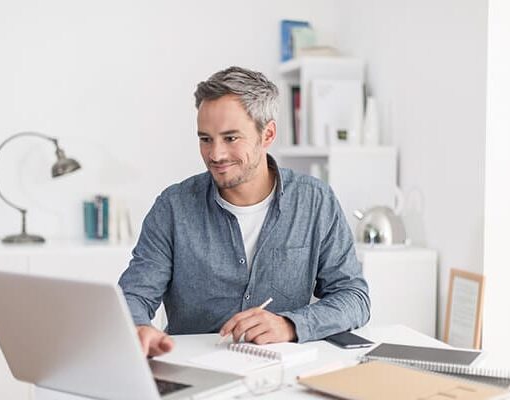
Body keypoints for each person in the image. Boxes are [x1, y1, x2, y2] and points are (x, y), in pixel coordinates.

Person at [118, 66, 370, 357]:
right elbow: (133, 295)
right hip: (198, 373)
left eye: (230, 138)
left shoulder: (315, 201)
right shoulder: (173, 207)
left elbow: (354, 298)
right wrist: (138, 327)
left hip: (282, 372)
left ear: (268, 134)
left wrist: (290, 324)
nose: (216, 154)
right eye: (205, 139)